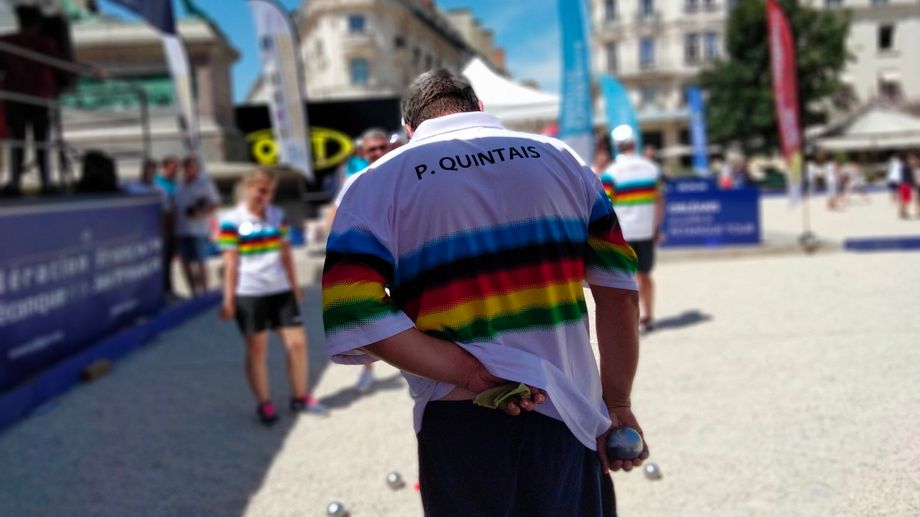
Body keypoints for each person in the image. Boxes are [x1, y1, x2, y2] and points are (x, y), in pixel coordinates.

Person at [323, 69, 647, 516]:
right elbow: (620, 294)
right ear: (478, 108)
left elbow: (354, 313)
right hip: (569, 405)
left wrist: (470, 373)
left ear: (409, 129)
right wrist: (618, 403)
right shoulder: (562, 159)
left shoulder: (374, 184)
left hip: (458, 414)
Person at [219, 167, 328, 424]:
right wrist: (228, 299)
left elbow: (286, 254)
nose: (266, 196)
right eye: (261, 190)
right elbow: (230, 262)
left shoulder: (277, 215)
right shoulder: (231, 219)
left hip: (280, 290)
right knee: (257, 349)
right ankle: (264, 403)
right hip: (250, 291)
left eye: (270, 191)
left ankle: (300, 396)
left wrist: (294, 285)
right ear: (248, 188)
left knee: (297, 344)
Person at [325, 127, 392, 393]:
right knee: (369, 313)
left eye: (381, 147)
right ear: (363, 153)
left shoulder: (405, 170)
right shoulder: (356, 180)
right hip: (372, 253)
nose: (377, 152)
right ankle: (368, 368)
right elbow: (336, 211)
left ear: (388, 146)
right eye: (371, 149)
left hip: (404, 251)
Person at [602, 125, 664, 334]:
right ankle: (649, 316)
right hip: (646, 230)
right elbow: (659, 201)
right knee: (645, 275)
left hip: (623, 234)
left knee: (625, 281)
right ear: (634, 143)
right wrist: (656, 228)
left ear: (615, 146)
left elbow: (606, 207)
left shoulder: (611, 173)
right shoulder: (651, 168)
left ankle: (632, 321)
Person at [0, 5, 60, 196]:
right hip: (38, 97)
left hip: (16, 97)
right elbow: (60, 66)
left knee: (18, 142)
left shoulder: (7, 42)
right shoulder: (45, 43)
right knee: (41, 141)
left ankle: (15, 182)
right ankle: (46, 182)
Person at [174, 155, 219, 295]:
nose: (189, 169)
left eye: (191, 167)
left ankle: (204, 290)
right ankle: (193, 291)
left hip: (198, 230)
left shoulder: (204, 183)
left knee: (201, 262)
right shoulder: (179, 185)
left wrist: (200, 213)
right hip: (181, 229)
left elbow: (215, 203)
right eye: (186, 167)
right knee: (185, 263)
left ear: (196, 168)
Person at [156, 156, 180, 298]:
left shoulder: (177, 184)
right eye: (173, 168)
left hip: (175, 227)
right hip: (162, 227)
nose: (175, 171)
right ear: (164, 167)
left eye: (177, 168)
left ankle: (169, 287)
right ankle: (163, 288)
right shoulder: (158, 183)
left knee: (169, 258)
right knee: (163, 259)